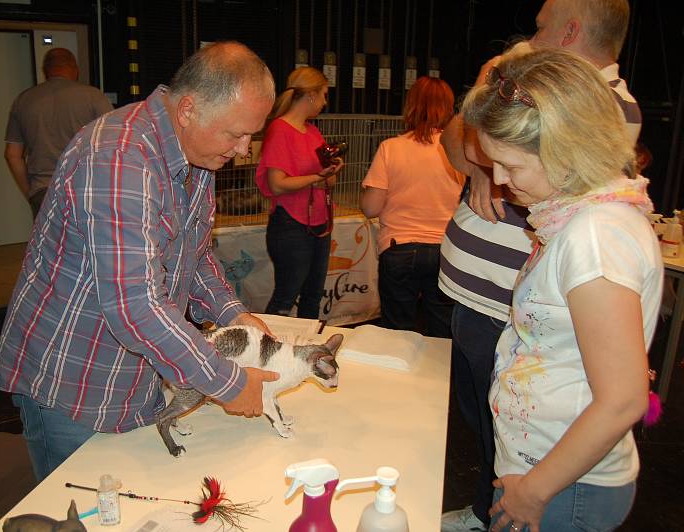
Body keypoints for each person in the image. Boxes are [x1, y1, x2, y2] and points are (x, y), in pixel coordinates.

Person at [0, 41, 279, 481]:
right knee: (81, 511)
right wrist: (229, 383)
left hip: (134, 377)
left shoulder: (196, 157)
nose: (244, 150)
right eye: (236, 134)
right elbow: (133, 306)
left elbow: (194, 253)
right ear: (187, 110)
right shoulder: (119, 157)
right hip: (75, 384)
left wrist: (234, 313)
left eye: (252, 136)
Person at [439, 1, 642, 530]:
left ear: (565, 146)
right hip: (545, 466)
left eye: (510, 164)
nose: (501, 181)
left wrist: (537, 490)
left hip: (564, 484)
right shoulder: (570, 219)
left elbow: (622, 400)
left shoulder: (594, 237)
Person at [360, 76, 464, 337]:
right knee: (442, 330)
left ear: (411, 105)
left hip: (399, 248)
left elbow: (371, 208)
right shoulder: (458, 152)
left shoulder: (391, 148)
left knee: (397, 332)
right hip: (446, 250)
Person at [254, 67, 344, 319]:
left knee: (313, 295)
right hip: (290, 225)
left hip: (318, 223)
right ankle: (269, 350)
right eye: (324, 95)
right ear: (311, 95)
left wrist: (330, 171)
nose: (325, 102)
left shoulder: (313, 132)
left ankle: (308, 351)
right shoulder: (280, 130)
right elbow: (277, 184)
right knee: (286, 296)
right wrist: (318, 177)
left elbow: (329, 180)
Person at [4, 47, 113, 219]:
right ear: (75, 69)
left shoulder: (23, 100)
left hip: (43, 190)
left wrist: (31, 192)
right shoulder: (94, 97)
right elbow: (113, 145)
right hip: (85, 189)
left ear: (45, 71)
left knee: (50, 244)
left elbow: (12, 154)